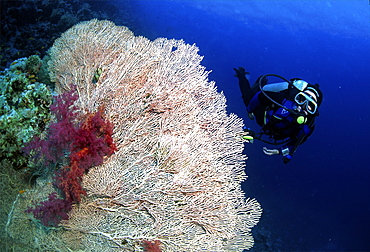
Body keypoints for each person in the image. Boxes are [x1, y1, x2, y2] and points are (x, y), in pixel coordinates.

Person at [234, 67, 323, 164]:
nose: (303, 106)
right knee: (248, 98)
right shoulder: (283, 100)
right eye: (301, 99)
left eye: (310, 106)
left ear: (313, 111)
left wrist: (279, 151)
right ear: (296, 97)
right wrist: (250, 109)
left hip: (270, 129)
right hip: (261, 114)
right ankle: (243, 75)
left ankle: (258, 83)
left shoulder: (306, 127)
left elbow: (295, 143)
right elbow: (260, 96)